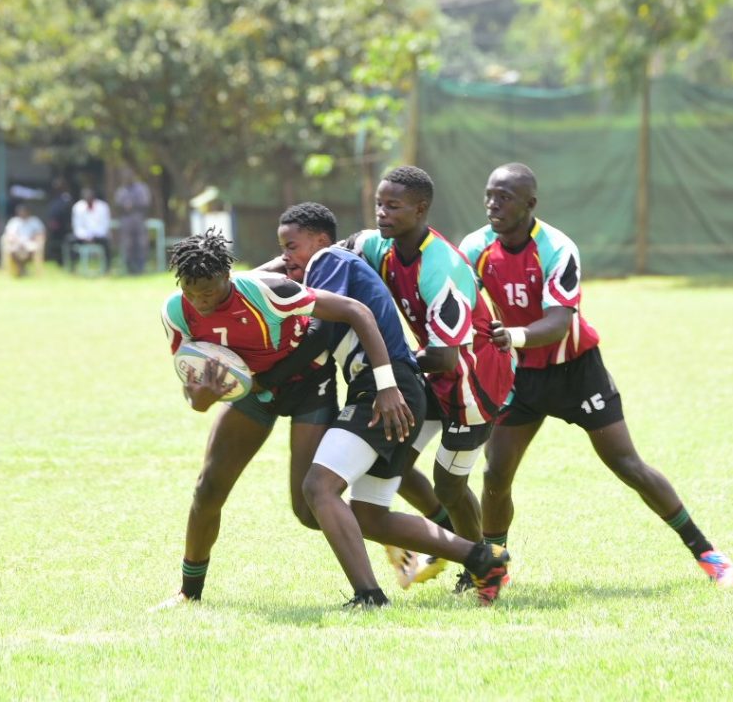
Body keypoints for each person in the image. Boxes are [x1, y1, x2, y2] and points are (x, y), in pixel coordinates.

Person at [460, 162, 733, 588]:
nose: (493, 204)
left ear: (530, 204)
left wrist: (510, 335)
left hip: (576, 371)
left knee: (626, 464)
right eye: (489, 194)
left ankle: (708, 554)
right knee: (495, 474)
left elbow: (557, 322)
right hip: (520, 374)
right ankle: (493, 567)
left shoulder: (557, 247)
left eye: (505, 197)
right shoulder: (476, 247)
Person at [267, 202, 512, 607]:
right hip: (398, 388)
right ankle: (484, 558)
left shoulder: (329, 261)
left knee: (319, 486)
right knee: (370, 516)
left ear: (321, 241)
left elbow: (317, 334)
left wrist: (266, 374)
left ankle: (369, 596)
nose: (285, 257)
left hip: (385, 390)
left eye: (291, 246)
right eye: (281, 249)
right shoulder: (332, 261)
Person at [155, 228, 409, 608]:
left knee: (309, 508)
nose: (200, 301)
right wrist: (201, 398)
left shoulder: (268, 292)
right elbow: (194, 391)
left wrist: (387, 383)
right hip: (250, 394)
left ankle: (390, 533)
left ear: (228, 276)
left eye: (208, 291)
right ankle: (188, 593)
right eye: (191, 292)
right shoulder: (177, 311)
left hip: (307, 385)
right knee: (207, 489)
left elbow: (355, 311)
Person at [344, 165, 516, 594]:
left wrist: (386, 367)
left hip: (471, 384)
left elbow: (443, 356)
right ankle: (452, 548)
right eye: (379, 204)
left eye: (393, 206)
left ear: (421, 209)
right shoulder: (380, 245)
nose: (382, 213)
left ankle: (482, 567)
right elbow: (338, 249)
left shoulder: (441, 265)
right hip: (432, 376)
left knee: (450, 485)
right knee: (393, 457)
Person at [114, 168, 153, 275]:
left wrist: (133, 205)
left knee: (141, 244)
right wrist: (124, 207)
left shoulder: (141, 188)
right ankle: (129, 269)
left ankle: (141, 268)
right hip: (126, 221)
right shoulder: (121, 190)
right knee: (127, 245)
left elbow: (146, 203)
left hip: (138, 219)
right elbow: (117, 204)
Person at [70, 186, 113, 273]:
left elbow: (104, 225)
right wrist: (85, 236)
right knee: (70, 241)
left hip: (98, 235)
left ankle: (107, 269)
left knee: (107, 243)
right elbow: (77, 226)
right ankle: (73, 268)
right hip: (83, 236)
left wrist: (93, 236)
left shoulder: (102, 207)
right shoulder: (78, 207)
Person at [0, 203, 47, 277]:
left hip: (31, 244)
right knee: (11, 250)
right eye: (20, 211)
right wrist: (18, 241)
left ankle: (32, 272)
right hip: (17, 244)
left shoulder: (35, 221)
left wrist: (31, 241)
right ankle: (17, 271)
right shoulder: (14, 221)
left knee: (33, 248)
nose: (22, 213)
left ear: (28, 212)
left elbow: (40, 234)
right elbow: (9, 235)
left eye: (24, 211)